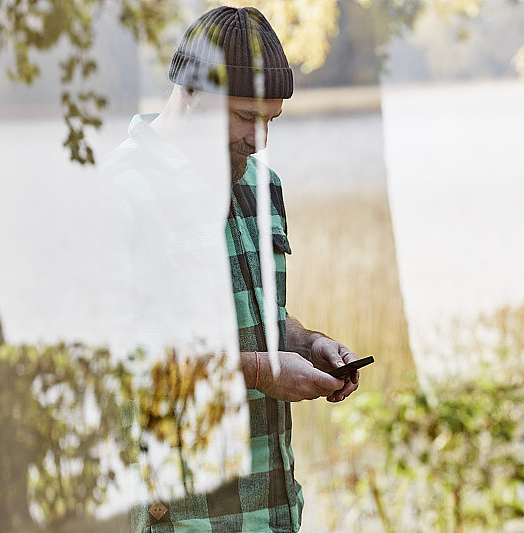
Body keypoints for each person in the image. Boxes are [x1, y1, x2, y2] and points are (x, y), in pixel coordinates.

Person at [105, 6, 361, 532]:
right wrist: (263, 371)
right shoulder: (118, 193)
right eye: (245, 116)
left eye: (270, 120)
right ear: (191, 90)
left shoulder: (260, 185)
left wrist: (307, 343)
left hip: (272, 511)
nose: (259, 137)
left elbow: (260, 316)